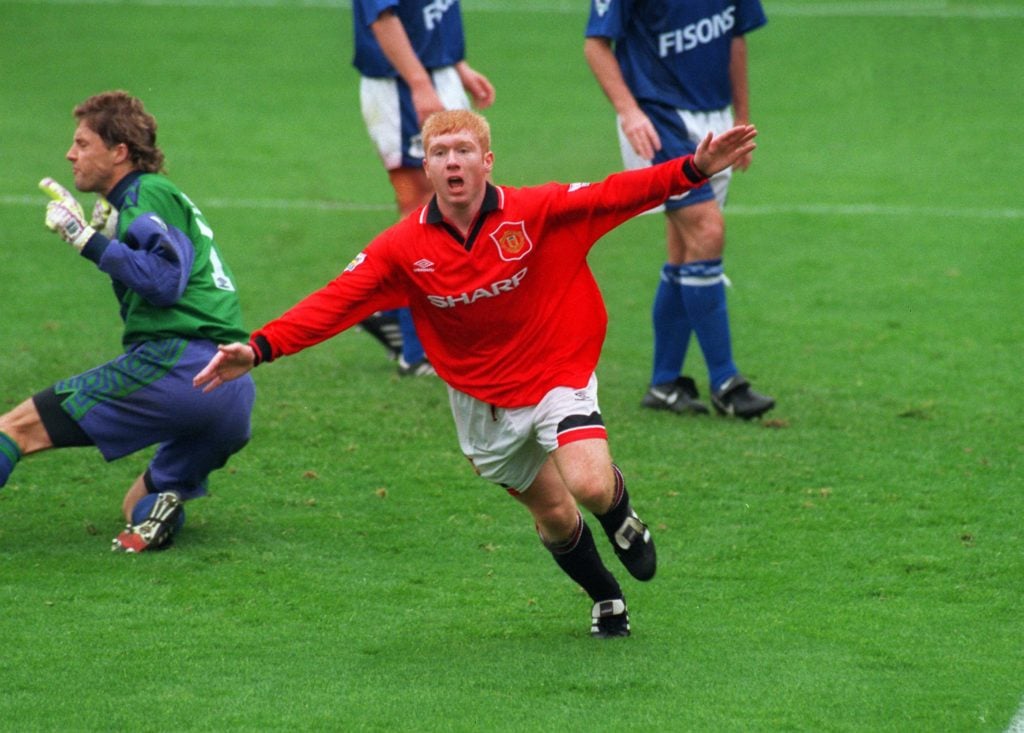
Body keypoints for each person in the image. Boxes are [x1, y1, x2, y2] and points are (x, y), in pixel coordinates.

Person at [194, 109, 758, 637]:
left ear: (488, 161)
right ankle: (605, 594)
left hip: (556, 371)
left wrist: (694, 168)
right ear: (428, 167)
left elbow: (618, 192)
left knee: (587, 483)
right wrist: (261, 347)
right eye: (440, 152)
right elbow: (337, 301)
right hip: (482, 402)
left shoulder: (538, 211)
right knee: (556, 516)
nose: (453, 161)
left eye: (464, 149)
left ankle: (621, 516)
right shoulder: (402, 248)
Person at [0, 91, 255, 552]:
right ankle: (160, 517)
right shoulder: (144, 203)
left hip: (182, 366)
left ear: (119, 152)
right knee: (140, 500)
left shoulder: (147, 192)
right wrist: (109, 235)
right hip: (231, 388)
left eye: (82, 143)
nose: (70, 154)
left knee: (14, 428)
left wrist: (85, 240)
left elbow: (165, 281)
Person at [584, 0, 775, 419]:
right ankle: (726, 382)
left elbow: (735, 37)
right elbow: (596, 43)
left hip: (714, 116)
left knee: (686, 250)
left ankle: (664, 383)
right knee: (708, 231)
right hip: (657, 117)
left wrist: (741, 116)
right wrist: (628, 111)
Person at [352, 0, 496, 376]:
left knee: (473, 199)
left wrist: (455, 65)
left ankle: (395, 315)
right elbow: (382, 18)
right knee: (424, 206)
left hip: (434, 70)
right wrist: (419, 83)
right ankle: (416, 350)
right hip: (401, 80)